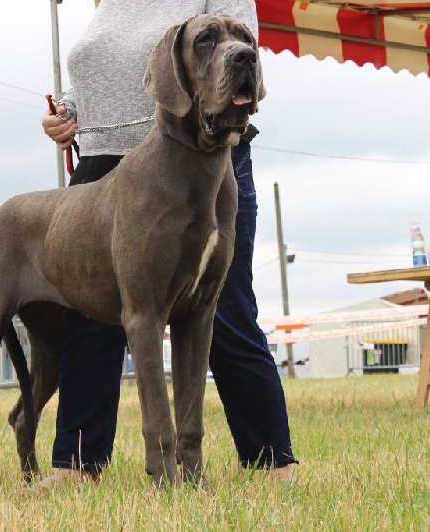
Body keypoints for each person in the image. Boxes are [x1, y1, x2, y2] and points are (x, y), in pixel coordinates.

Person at [39, 0, 298, 488]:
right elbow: (102, 71)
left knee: (225, 313)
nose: (236, 48)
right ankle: (77, 465)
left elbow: (239, 55)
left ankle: (269, 460)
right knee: (91, 321)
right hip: (105, 166)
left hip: (203, 164)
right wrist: (70, 110)